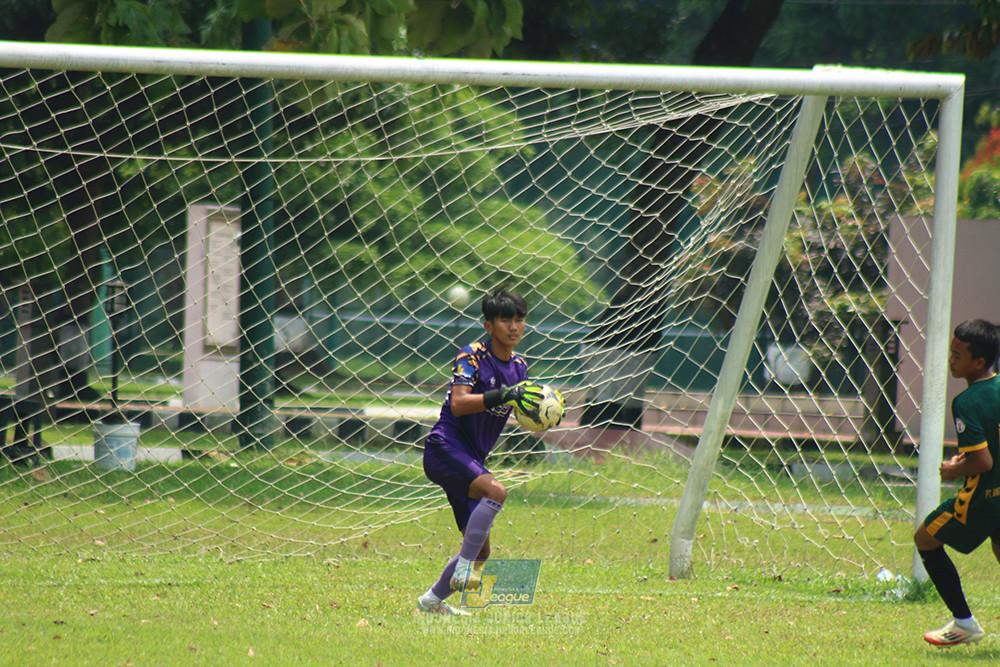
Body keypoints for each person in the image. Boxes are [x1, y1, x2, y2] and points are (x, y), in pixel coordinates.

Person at [416, 288, 544, 615]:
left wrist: (544, 413)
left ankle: (431, 602)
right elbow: (458, 404)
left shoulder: (519, 367)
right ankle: (465, 573)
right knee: (497, 492)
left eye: (519, 320)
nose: (514, 327)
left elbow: (517, 409)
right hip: (445, 448)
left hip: (472, 461)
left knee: (481, 550)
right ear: (489, 326)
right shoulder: (470, 356)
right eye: (505, 320)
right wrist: (504, 395)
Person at [915, 318, 1000, 647]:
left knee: (924, 539)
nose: (950, 360)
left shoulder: (966, 402)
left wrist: (953, 469)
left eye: (956, 355)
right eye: (950, 352)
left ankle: (964, 623)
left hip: (982, 498)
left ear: (978, 363)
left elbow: (983, 461)